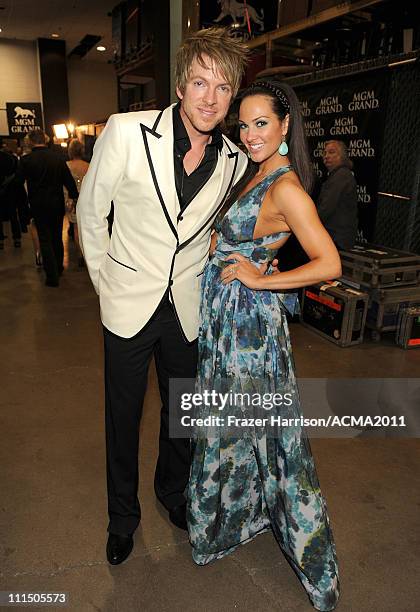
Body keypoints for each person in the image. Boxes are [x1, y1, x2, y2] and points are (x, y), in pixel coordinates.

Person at [76, 27, 249, 566]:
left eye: (222, 88)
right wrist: (108, 283)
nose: (209, 98)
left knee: (182, 417)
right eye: (200, 82)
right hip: (127, 301)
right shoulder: (127, 132)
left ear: (232, 96)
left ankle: (172, 493)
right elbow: (90, 212)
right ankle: (122, 519)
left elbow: (208, 230)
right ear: (180, 85)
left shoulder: (234, 161)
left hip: (185, 309)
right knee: (123, 419)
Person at [187, 81, 341, 612]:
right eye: (245, 124)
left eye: (262, 124)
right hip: (227, 324)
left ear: (285, 126)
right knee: (233, 428)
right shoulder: (262, 172)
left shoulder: (287, 188)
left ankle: (313, 559)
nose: (250, 134)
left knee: (273, 437)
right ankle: (240, 518)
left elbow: (329, 263)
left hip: (248, 331)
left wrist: (259, 279)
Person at [17, 130, 78, 286]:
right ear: (45, 140)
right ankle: (58, 267)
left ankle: (52, 276)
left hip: (38, 205)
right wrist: (73, 196)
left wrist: (22, 204)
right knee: (57, 236)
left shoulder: (26, 161)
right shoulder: (58, 158)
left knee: (44, 238)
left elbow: (18, 184)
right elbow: (68, 181)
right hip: (57, 204)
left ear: (30, 141)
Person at [317, 139, 358, 250]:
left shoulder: (341, 176)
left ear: (342, 156)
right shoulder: (337, 175)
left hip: (337, 239)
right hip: (335, 237)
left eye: (331, 152)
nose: (326, 156)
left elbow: (326, 208)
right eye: (324, 153)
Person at [64, 139, 89, 266]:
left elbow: (64, 185)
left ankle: (80, 255)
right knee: (85, 227)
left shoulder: (66, 165)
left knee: (76, 227)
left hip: (72, 199)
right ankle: (86, 254)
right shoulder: (88, 166)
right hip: (87, 199)